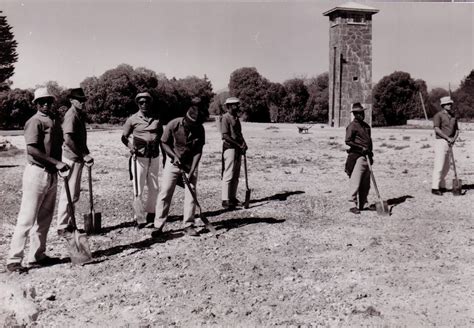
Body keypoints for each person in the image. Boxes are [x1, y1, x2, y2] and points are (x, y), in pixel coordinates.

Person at [6, 87, 69, 272]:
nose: (46, 104)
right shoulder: (34, 121)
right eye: (42, 101)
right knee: (27, 217)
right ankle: (14, 259)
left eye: (49, 101)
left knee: (45, 218)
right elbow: (32, 149)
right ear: (36, 104)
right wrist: (56, 162)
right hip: (37, 172)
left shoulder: (54, 121)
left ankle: (37, 255)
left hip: (51, 173)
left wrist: (58, 164)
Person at [154, 106, 205, 237]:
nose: (193, 127)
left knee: (191, 191)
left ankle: (188, 225)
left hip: (190, 164)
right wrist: (173, 156)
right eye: (191, 124)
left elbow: (198, 151)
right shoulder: (173, 124)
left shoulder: (199, 129)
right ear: (185, 119)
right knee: (165, 191)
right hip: (173, 163)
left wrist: (192, 169)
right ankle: (158, 226)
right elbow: (164, 142)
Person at [122, 92, 163, 226]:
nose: (144, 104)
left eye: (146, 102)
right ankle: (138, 216)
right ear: (138, 104)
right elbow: (124, 137)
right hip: (139, 158)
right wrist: (130, 147)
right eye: (141, 102)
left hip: (154, 156)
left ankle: (151, 214)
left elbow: (161, 137)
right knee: (138, 188)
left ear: (150, 103)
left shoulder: (156, 118)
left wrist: (166, 156)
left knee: (154, 187)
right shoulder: (132, 119)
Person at [56, 88, 94, 236]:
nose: (82, 103)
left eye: (83, 100)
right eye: (79, 100)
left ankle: (69, 223)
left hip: (76, 157)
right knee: (69, 193)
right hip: (71, 158)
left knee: (74, 193)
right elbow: (68, 138)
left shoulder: (78, 114)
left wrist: (86, 153)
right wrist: (84, 154)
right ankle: (63, 226)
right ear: (71, 100)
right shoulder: (71, 115)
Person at [344, 102, 373, 214]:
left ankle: (364, 203)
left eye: (362, 113)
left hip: (367, 157)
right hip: (357, 157)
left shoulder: (366, 126)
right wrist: (361, 148)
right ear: (355, 114)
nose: (362, 115)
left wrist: (371, 154)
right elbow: (348, 141)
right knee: (355, 182)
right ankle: (352, 204)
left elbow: (370, 141)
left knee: (366, 183)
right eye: (359, 113)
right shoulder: (352, 126)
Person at [221, 97, 247, 209]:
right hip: (230, 148)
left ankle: (232, 197)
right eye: (236, 105)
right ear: (230, 106)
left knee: (236, 174)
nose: (238, 107)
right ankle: (225, 199)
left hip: (237, 148)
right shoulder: (225, 118)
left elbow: (239, 133)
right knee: (228, 174)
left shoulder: (236, 118)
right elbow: (225, 136)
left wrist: (244, 143)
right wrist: (238, 144)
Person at [431, 96, 459, 195]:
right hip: (441, 141)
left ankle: (442, 186)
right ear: (443, 105)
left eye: (450, 104)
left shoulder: (454, 116)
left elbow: (457, 130)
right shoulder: (438, 115)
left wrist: (453, 139)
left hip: (450, 142)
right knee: (439, 164)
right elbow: (437, 129)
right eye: (447, 104)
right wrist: (447, 138)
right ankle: (435, 187)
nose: (449, 105)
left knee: (447, 166)